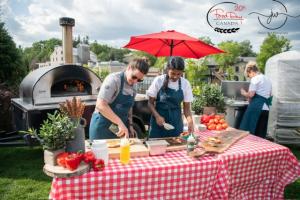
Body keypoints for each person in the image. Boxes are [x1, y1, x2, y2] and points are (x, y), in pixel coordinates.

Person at [89, 58, 150, 140]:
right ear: (129, 68)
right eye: (134, 77)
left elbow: (129, 107)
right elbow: (100, 105)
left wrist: (130, 125)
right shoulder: (114, 80)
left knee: (118, 151)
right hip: (102, 125)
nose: (135, 81)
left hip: (116, 128)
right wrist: (120, 123)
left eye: (139, 80)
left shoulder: (133, 87)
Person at [147, 56, 194, 138]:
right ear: (167, 70)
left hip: (176, 123)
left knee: (176, 146)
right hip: (158, 123)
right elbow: (150, 103)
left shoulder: (185, 84)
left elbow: (186, 108)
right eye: (173, 73)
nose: (175, 76)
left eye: (179, 74)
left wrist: (190, 121)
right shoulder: (159, 80)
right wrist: (157, 116)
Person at [239, 61, 272, 138]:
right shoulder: (267, 79)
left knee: (248, 131)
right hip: (266, 109)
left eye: (248, 75)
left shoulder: (255, 78)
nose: (249, 77)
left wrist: (244, 93)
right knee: (261, 134)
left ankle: (248, 149)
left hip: (256, 108)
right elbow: (270, 95)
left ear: (250, 71)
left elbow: (251, 94)